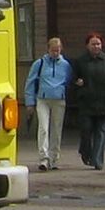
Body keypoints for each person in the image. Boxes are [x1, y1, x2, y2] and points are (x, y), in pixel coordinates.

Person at [22, 36, 73, 171]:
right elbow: (30, 82)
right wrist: (29, 102)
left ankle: (54, 158)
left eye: (58, 50)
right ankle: (44, 158)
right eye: (53, 50)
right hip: (43, 99)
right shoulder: (40, 63)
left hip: (59, 99)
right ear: (48, 50)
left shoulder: (65, 65)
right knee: (43, 128)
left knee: (56, 129)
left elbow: (68, 81)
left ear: (61, 50)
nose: (55, 53)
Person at [72, 32, 105, 170]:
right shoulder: (80, 61)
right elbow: (73, 79)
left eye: (98, 44)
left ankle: (97, 160)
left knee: (100, 131)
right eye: (93, 44)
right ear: (87, 45)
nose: (96, 46)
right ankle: (85, 151)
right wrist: (78, 85)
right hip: (86, 102)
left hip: (104, 101)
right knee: (86, 130)